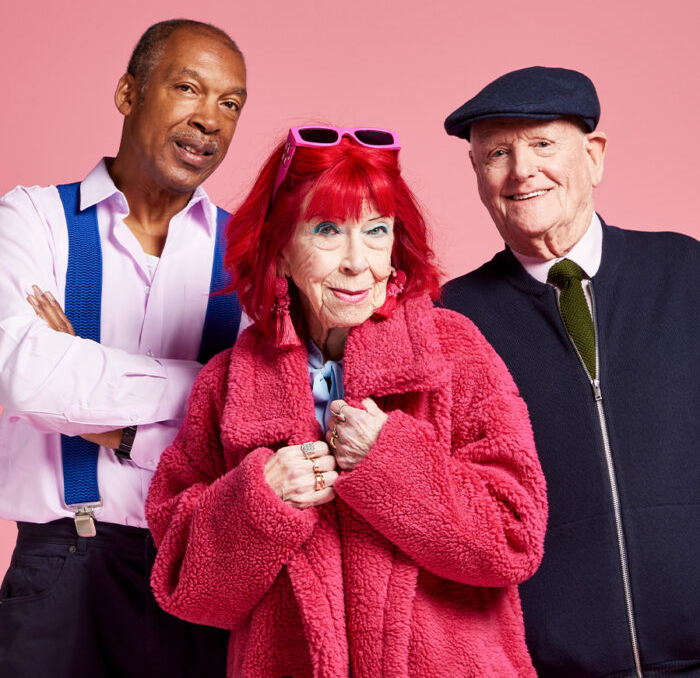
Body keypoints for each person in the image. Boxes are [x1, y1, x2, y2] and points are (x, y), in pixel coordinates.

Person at [145, 125, 548, 677]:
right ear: (280, 250)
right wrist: (260, 498)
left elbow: (512, 541)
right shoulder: (228, 381)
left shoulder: (452, 351)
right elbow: (189, 591)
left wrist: (393, 463)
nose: (358, 262)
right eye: (328, 231)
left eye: (376, 231)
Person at [0, 19, 247, 677]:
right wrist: (206, 385)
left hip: (200, 574)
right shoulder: (32, 219)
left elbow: (250, 435)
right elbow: (24, 378)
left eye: (230, 104)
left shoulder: (251, 253)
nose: (211, 120)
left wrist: (84, 371)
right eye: (189, 88)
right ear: (128, 92)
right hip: (63, 569)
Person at [441, 66, 700, 677]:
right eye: (497, 153)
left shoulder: (685, 272)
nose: (521, 170)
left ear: (594, 156)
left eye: (542, 144)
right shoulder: (450, 321)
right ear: (478, 177)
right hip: (546, 667)